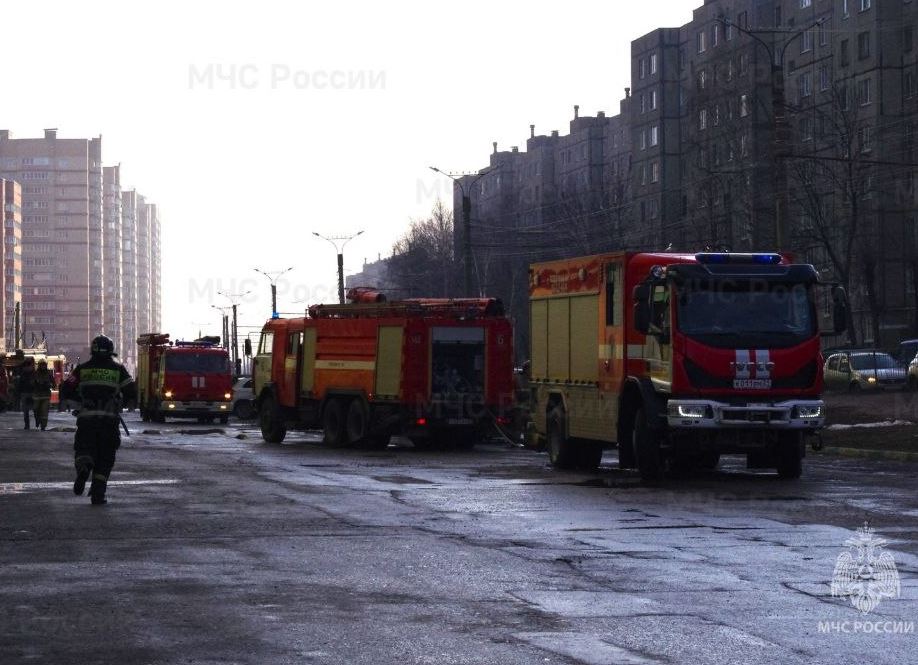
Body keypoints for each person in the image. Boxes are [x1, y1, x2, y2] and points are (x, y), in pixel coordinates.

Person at [60, 335, 136, 506]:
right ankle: (98, 495)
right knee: (105, 457)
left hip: (87, 419)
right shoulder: (118, 370)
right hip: (109, 421)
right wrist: (123, 402)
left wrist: (77, 401)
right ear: (110, 350)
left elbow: (66, 387)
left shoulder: (82, 369)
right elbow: (131, 390)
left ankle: (84, 467)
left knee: (84, 448)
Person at [32, 359, 56, 431]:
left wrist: (49, 385)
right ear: (39, 366)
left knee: (44, 411)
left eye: (44, 365)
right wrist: (35, 383)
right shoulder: (35, 373)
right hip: (36, 395)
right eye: (41, 365)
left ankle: (43, 426)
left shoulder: (49, 374)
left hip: (46, 395)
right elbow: (31, 382)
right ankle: (37, 420)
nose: (43, 366)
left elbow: (53, 384)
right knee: (35, 409)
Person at [15, 358, 36, 430]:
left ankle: (36, 421)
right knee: (26, 410)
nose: (27, 367)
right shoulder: (23, 375)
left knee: (34, 409)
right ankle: (27, 425)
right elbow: (19, 385)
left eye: (28, 366)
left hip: (32, 393)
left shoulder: (34, 374)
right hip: (25, 393)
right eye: (26, 366)